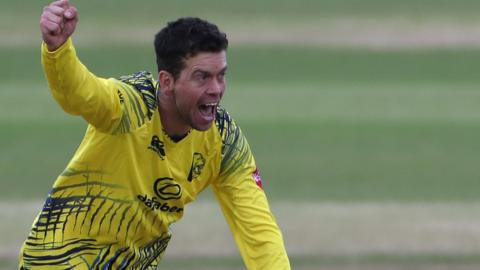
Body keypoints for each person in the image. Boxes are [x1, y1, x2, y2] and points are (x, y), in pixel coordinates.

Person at [19, 0, 290, 269]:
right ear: (168, 81)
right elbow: (80, 94)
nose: (216, 89)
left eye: (221, 76)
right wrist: (58, 50)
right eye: (202, 77)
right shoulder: (130, 106)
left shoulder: (224, 142)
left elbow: (259, 232)